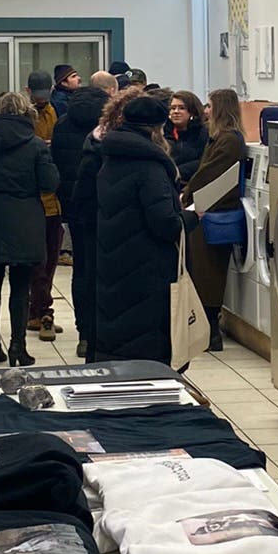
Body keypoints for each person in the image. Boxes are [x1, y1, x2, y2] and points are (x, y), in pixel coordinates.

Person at [0, 90, 60, 365]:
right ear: (25, 113)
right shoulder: (35, 145)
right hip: (25, 220)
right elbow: (49, 183)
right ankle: (18, 347)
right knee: (21, 287)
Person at [94, 93, 184, 365]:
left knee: (119, 334)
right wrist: (191, 219)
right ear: (156, 130)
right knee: (145, 346)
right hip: (146, 267)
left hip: (114, 258)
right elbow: (165, 223)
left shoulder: (112, 157)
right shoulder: (150, 167)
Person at [180, 87, 247, 353]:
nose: (205, 111)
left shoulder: (228, 140)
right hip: (210, 207)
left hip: (212, 210)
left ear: (220, 108)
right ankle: (207, 329)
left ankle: (210, 332)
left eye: (209, 106)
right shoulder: (223, 138)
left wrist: (187, 194)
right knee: (206, 271)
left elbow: (210, 173)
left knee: (208, 273)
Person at [53, 73, 111, 356]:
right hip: (106, 208)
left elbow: (58, 166)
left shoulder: (62, 123)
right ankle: (102, 330)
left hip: (75, 207)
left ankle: (84, 333)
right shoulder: (107, 128)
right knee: (105, 269)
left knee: (82, 269)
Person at [24, 71, 65, 340]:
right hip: (33, 201)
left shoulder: (57, 111)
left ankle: (37, 311)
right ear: (28, 92)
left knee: (50, 260)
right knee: (38, 263)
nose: (41, 100)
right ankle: (42, 311)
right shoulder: (24, 116)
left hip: (54, 201)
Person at [164, 90, 208, 184]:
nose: (176, 112)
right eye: (173, 108)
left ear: (192, 112)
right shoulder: (162, 133)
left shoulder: (202, 133)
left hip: (191, 184)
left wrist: (177, 171)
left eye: (181, 108)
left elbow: (203, 161)